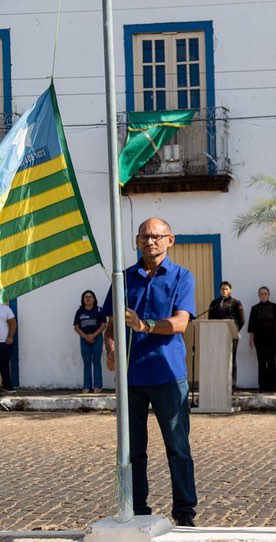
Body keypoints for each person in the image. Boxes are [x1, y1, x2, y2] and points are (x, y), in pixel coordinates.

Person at [102, 217, 198, 526]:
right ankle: (136, 509)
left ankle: (184, 511)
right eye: (144, 236)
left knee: (178, 448)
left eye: (157, 236)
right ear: (136, 241)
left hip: (168, 376)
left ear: (170, 240)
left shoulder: (182, 277)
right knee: (132, 450)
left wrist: (146, 325)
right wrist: (111, 348)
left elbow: (181, 322)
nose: (150, 241)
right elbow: (111, 327)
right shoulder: (122, 279)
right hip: (130, 380)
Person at [207, 281, 245, 389]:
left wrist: (235, 331)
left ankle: (232, 385)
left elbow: (242, 320)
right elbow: (210, 319)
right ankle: (220, 384)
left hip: (232, 334)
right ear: (220, 290)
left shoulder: (236, 303)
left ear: (230, 290)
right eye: (222, 289)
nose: (224, 291)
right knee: (219, 359)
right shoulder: (215, 303)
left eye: (226, 289)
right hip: (218, 335)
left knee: (231, 359)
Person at [248, 286, 276, 391]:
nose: (263, 295)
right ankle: (263, 386)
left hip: (272, 339)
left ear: (269, 295)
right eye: (261, 294)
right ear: (258, 295)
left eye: (265, 294)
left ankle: (272, 386)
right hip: (259, 339)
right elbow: (252, 326)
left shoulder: (275, 307)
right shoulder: (254, 309)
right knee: (261, 362)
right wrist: (251, 340)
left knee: (271, 361)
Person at [73, 290, 107, 393]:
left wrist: (93, 335)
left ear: (94, 299)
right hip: (84, 340)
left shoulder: (99, 310)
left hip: (97, 338)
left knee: (96, 361)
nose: (88, 299)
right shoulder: (80, 312)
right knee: (87, 363)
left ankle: (98, 386)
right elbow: (76, 327)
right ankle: (87, 386)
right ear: (83, 300)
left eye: (90, 297)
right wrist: (86, 336)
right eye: (85, 297)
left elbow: (103, 325)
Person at [0, 302, 16, 392]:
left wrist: (10, 337)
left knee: (4, 365)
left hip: (3, 342)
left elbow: (13, 322)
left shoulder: (5, 308)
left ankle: (7, 386)